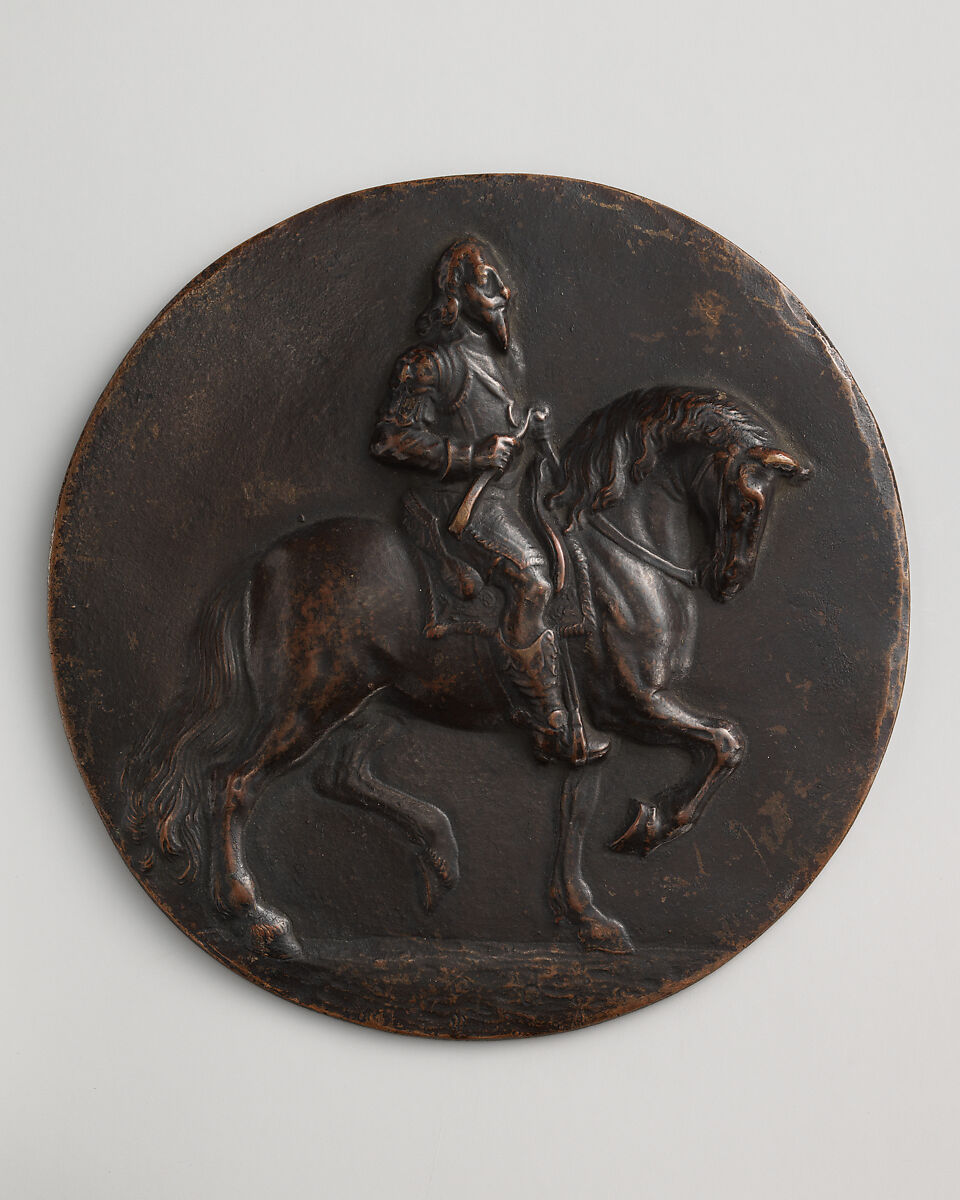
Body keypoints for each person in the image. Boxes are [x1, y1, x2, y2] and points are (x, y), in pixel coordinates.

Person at [370, 235, 608, 764]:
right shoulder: (429, 364)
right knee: (533, 582)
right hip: (457, 506)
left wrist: (529, 431)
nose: (505, 290)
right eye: (487, 282)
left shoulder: (502, 358)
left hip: (505, 496)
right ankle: (549, 722)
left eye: (500, 280)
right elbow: (389, 439)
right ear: (456, 295)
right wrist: (468, 453)